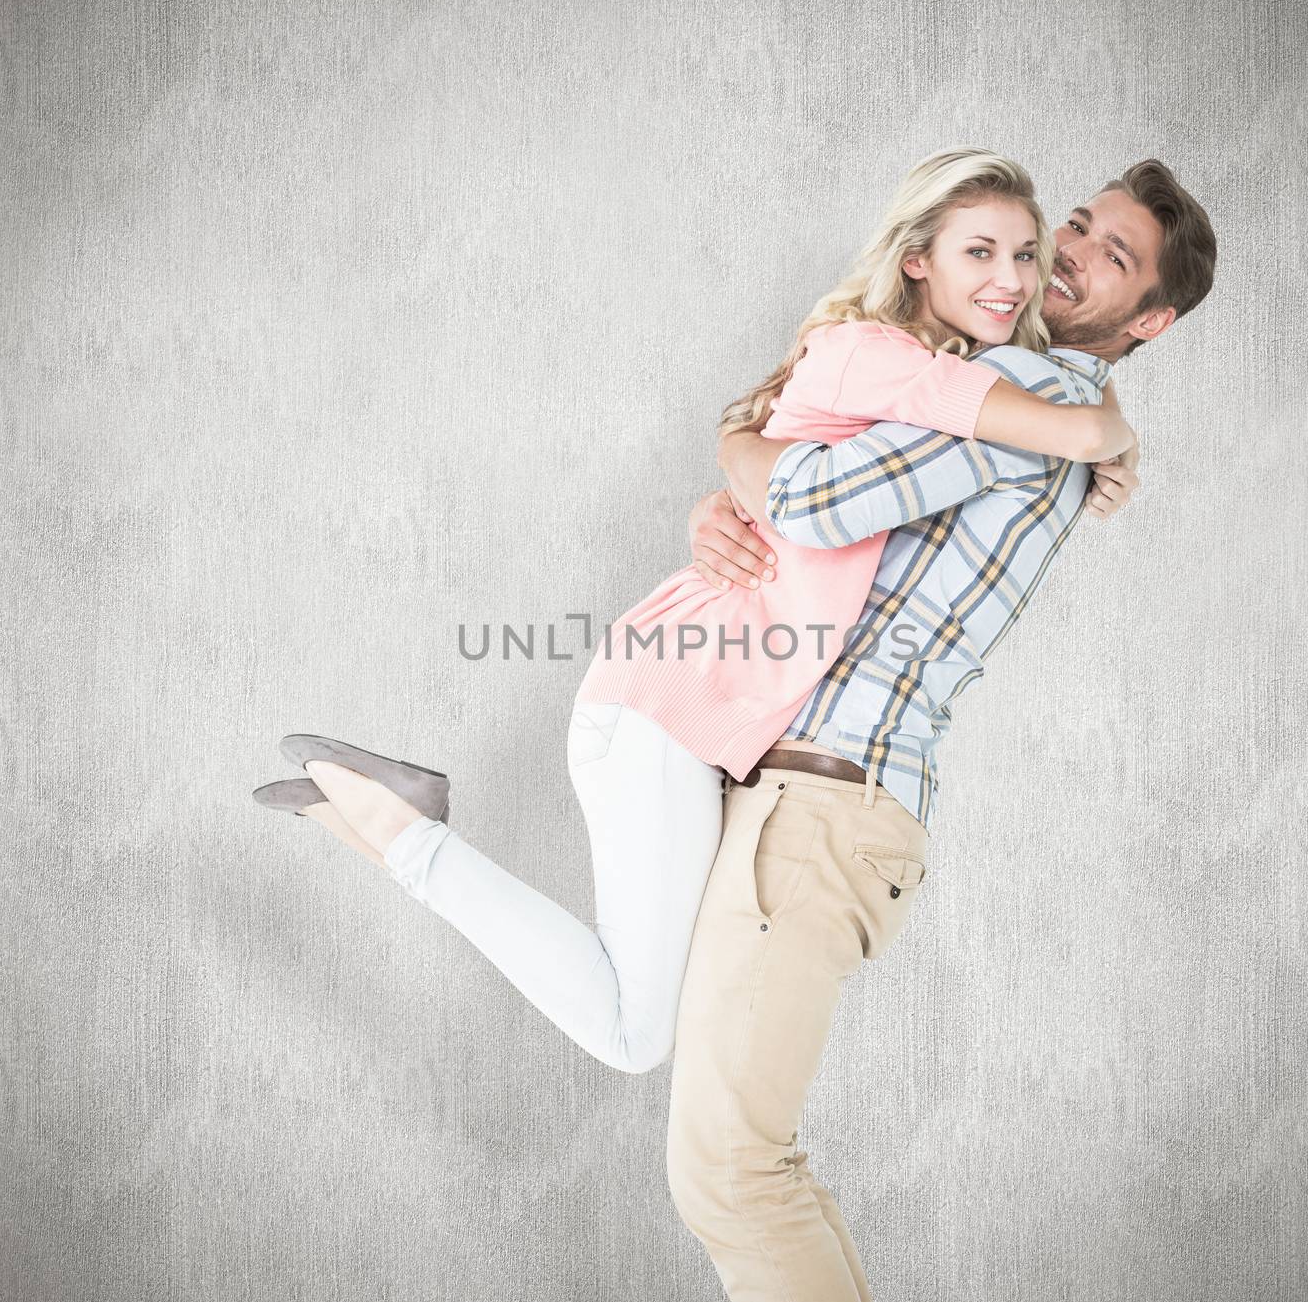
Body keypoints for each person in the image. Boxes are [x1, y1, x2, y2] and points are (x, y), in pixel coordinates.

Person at [250, 149, 1139, 1076]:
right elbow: (1060, 424)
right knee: (638, 1037)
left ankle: (373, 818)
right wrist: (1115, 427)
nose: (1011, 280)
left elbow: (836, 440)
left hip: (684, 705)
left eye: (1026, 257)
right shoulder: (887, 360)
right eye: (981, 253)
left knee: (647, 1019)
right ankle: (404, 826)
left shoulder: (893, 366)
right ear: (918, 259)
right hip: (668, 703)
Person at [664, 158, 1217, 1301]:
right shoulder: (1021, 397)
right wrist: (731, 475)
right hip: (808, 796)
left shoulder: (1045, 405)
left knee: (732, 1174)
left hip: (821, 803)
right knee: (747, 1166)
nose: (1066, 255)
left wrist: (741, 458)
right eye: (1073, 226)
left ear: (1149, 320)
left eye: (1112, 257)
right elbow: (809, 486)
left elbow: (809, 498)